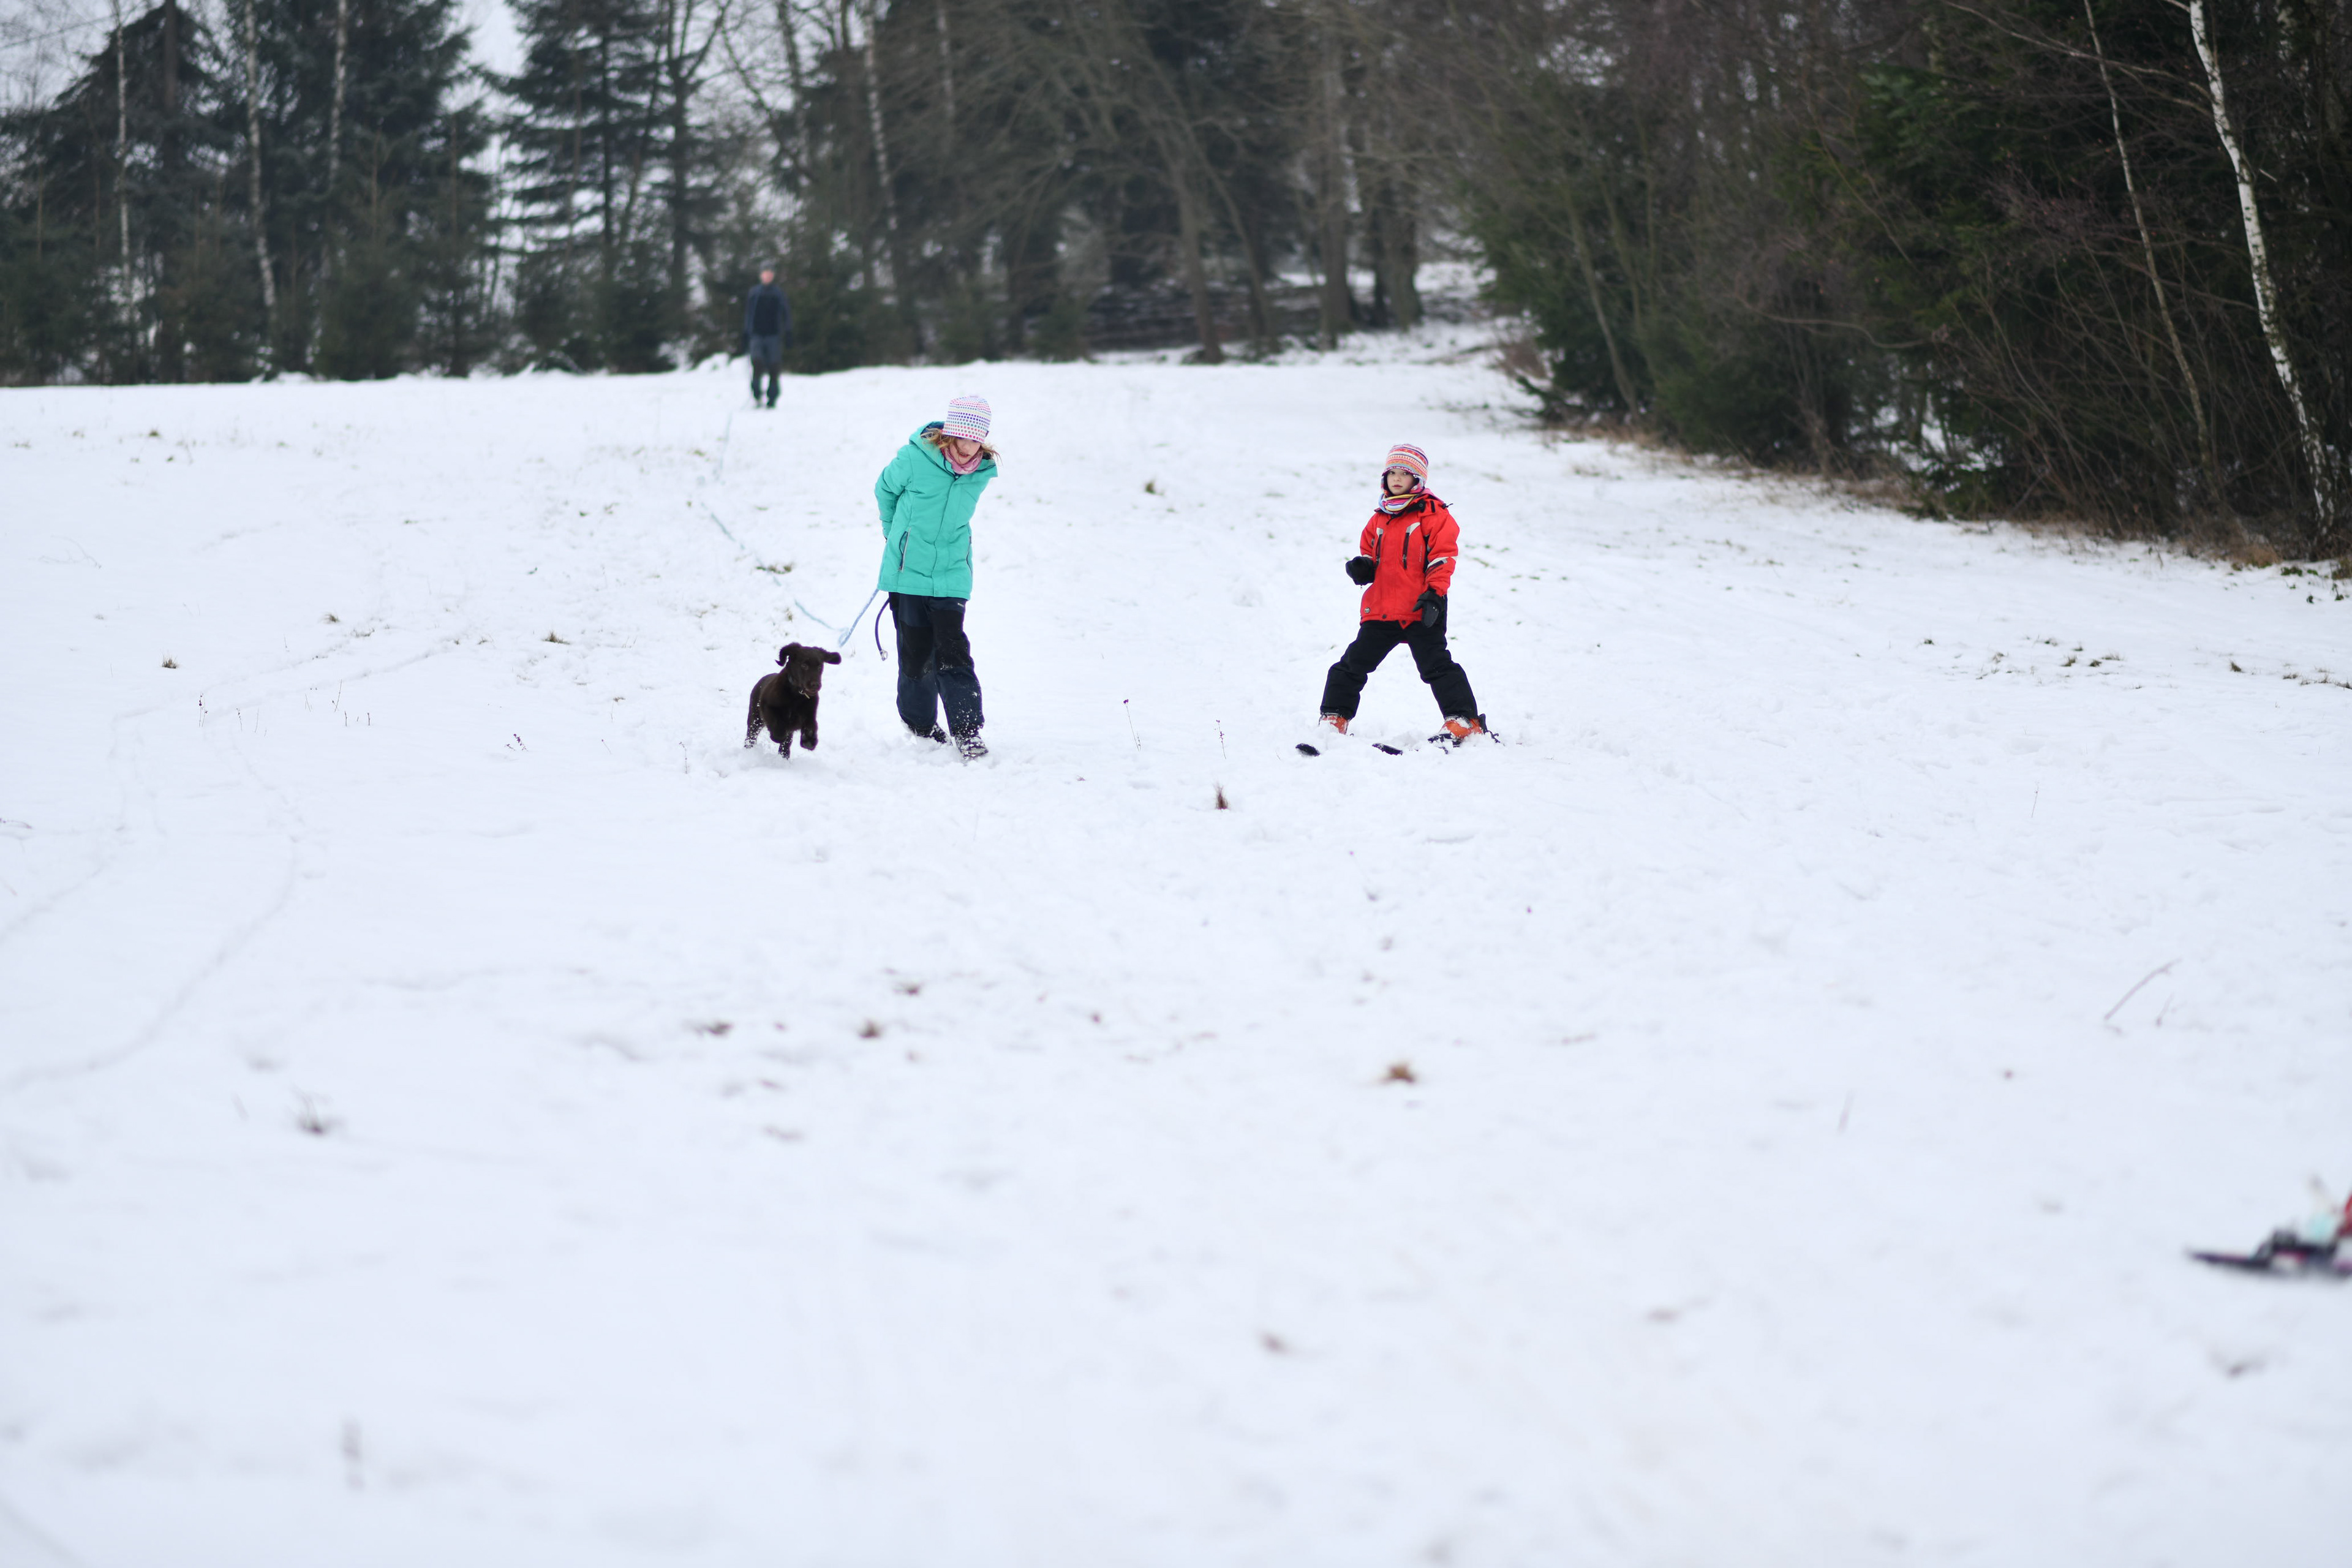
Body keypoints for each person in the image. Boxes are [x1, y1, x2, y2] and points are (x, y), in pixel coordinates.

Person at [1316, 443, 1489, 745]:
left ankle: (1464, 720)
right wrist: (1363, 568)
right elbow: (1370, 554)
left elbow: (1443, 558)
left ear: (1417, 479)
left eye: (1405, 474)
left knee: (1436, 666)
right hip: (1382, 609)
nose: (1397, 478)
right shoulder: (1379, 518)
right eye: (1392, 473)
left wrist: (1435, 594)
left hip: (1421, 608)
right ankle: (1334, 717)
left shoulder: (1434, 515)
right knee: (1352, 665)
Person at [875, 394, 999, 759]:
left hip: (951, 574)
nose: (968, 447)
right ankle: (921, 725)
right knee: (916, 657)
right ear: (950, 433)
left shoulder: (981, 471)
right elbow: (885, 489)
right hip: (908, 574)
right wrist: (893, 535)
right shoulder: (915, 458)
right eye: (963, 438)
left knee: (953, 652)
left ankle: (968, 731)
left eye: (976, 439)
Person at [742, 268, 793, 407]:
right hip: (756, 335)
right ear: (761, 276)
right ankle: (756, 394)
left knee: (774, 367)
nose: (767, 277)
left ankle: (772, 397)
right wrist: (746, 333)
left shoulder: (778, 293)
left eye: (770, 274)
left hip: (774, 335)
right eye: (765, 274)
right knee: (757, 364)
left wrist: (788, 332)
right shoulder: (754, 293)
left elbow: (786, 313)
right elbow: (749, 314)